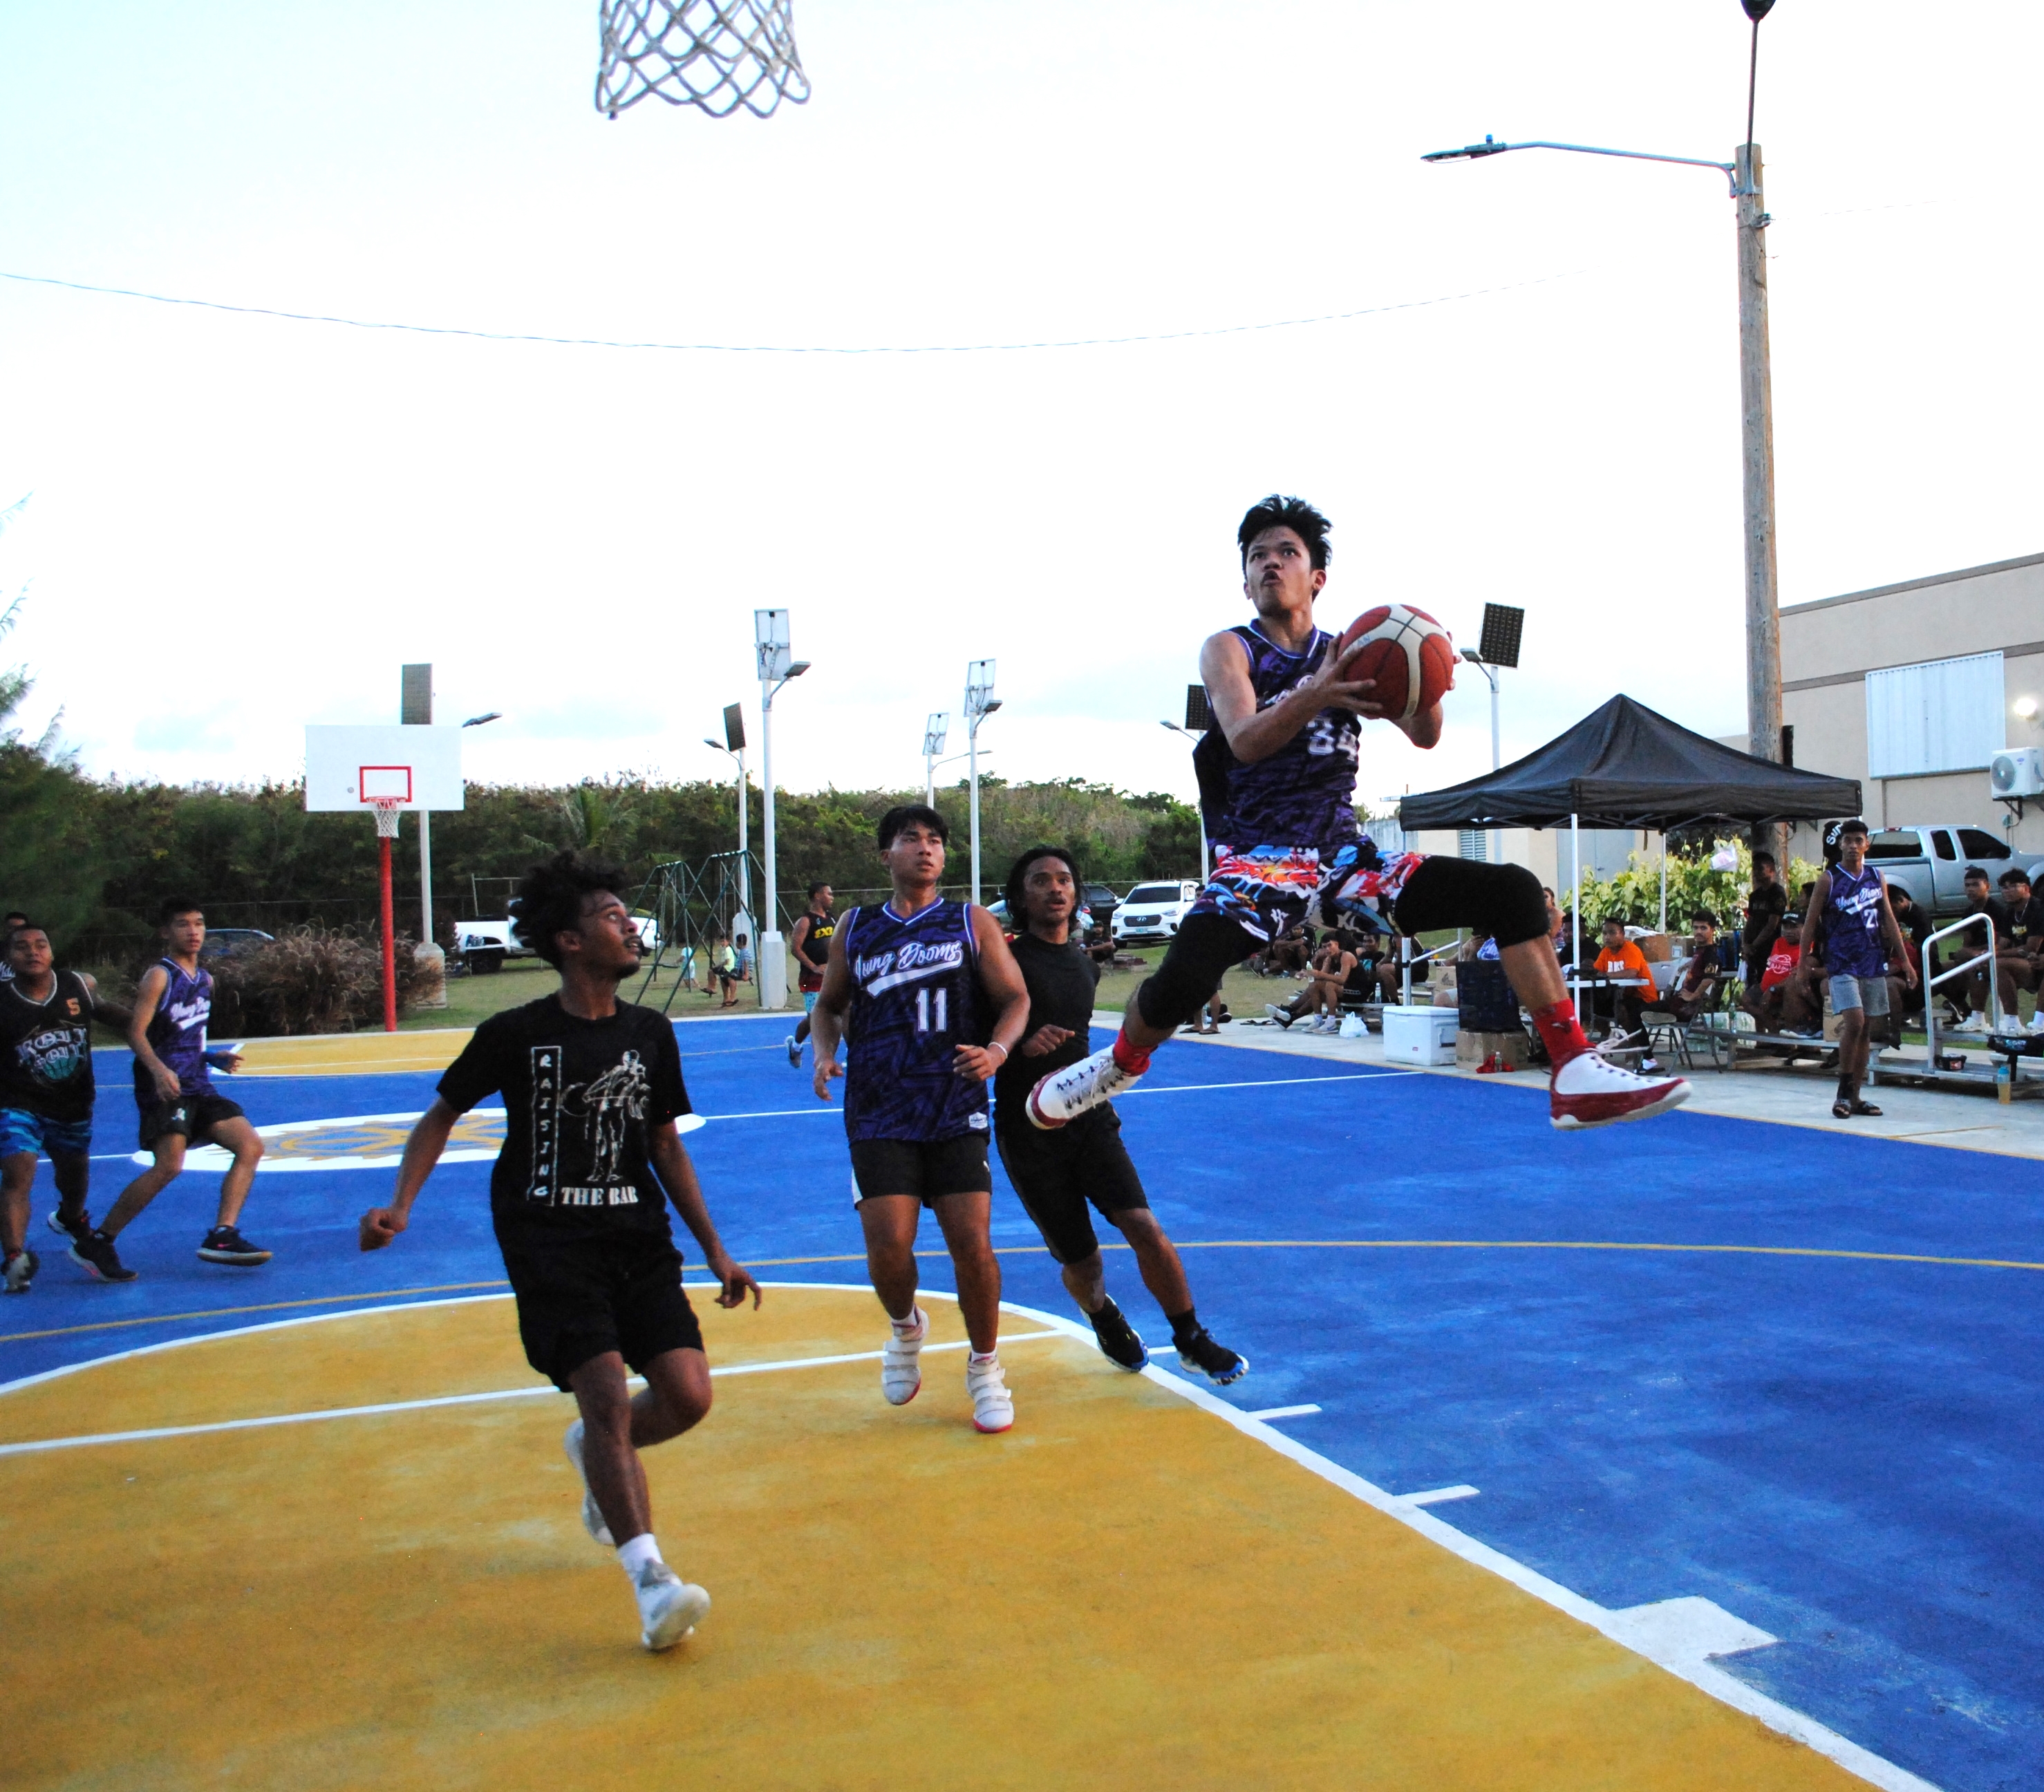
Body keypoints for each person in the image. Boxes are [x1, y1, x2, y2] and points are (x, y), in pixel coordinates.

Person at [1023, 496, 1688, 1133]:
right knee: (1183, 979)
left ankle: (1571, 1066)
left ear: (1317, 577)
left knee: (1511, 890)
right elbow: (1247, 740)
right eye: (1257, 556)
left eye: (1285, 552)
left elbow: (1425, 733)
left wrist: (1427, 672)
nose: (1270, 564)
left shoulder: (1361, 647)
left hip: (1344, 860)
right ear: (1245, 578)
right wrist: (1316, 692)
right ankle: (1116, 1066)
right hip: (1261, 860)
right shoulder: (1232, 649)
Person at [359, 852, 762, 1654]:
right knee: (606, 1394)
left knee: (686, 1397)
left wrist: (716, 1249)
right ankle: (652, 1584)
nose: (627, 925)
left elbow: (662, 1144)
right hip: (548, 1240)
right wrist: (400, 1204)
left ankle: (594, 1458)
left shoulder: (651, 1033)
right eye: (611, 915)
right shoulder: (515, 1033)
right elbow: (440, 1116)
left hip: (637, 1240)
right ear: (569, 940)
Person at [807, 805, 1031, 1434]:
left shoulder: (969, 920)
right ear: (887, 856)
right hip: (878, 1106)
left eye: (934, 841)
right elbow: (828, 1006)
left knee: (972, 1246)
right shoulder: (856, 926)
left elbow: (1015, 998)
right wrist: (825, 1054)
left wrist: (996, 1051)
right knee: (889, 1246)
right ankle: (906, 1327)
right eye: (911, 840)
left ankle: (985, 1365)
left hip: (954, 1101)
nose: (926, 850)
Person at [995, 846, 1246, 1383]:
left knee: (1143, 1225)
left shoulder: (1084, 964)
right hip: (1026, 1130)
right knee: (1082, 1263)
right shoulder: (1004, 961)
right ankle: (1102, 1316)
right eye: (1040, 881)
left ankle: (1191, 1338)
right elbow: (971, 1038)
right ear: (1020, 897)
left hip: (1089, 1115)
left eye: (1064, 879)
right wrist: (1017, 1048)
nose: (1055, 889)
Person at [67, 898, 268, 1283]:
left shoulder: (205, 979)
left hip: (197, 1082)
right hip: (164, 1087)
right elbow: (137, 1032)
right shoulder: (160, 975)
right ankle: (98, 1241)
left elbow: (181, 1035)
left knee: (250, 1146)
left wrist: (210, 1056)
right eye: (182, 924)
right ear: (166, 932)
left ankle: (223, 1235)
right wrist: (158, 1071)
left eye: (199, 923)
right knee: (169, 1166)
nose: (193, 931)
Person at [0, 923, 133, 1293]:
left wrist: (156, 1025)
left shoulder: (77, 985)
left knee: (73, 1181)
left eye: (41, 945)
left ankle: (73, 1219)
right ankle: (14, 1259)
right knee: (18, 1174)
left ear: (52, 953)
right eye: (22, 947)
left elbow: (113, 1015)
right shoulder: (2, 1000)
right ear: (10, 959)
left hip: (71, 1105)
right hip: (16, 1104)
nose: (32, 952)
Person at [1799, 819, 1915, 1119]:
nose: (1852, 845)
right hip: (1840, 961)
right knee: (1854, 1020)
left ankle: (1856, 1095)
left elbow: (1889, 918)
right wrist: (1802, 964)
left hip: (1872, 959)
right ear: (1840, 845)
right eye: (1847, 840)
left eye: (1858, 840)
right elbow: (1810, 923)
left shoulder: (1876, 877)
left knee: (1866, 1029)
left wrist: (1906, 961)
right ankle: (1842, 1091)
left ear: (1867, 844)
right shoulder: (1829, 879)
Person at [1946, 868, 2009, 1029]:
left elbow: (2001, 942)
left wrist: (1975, 953)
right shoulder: (1969, 912)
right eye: (1967, 885)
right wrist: (1966, 954)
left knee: (1974, 969)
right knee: (1941, 970)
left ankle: (1978, 1017)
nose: (1970, 889)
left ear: (1987, 886)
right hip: (1974, 956)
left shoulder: (1997, 910)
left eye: (1975, 884)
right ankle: (1961, 1008)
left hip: (1994, 955)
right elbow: (1967, 943)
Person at [785, 881, 837, 1066]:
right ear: (817, 896)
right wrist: (814, 966)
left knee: (842, 1012)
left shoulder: (831, 919)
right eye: (828, 894)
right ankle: (797, 1046)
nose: (832, 897)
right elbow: (795, 948)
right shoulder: (805, 921)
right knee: (814, 1018)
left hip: (831, 976)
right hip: (810, 979)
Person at [1995, 867, 2043, 1026]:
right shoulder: (2010, 913)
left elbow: (2031, 948)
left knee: (1997, 962)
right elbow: (2002, 944)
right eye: (2004, 887)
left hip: (2037, 961)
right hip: (2029, 963)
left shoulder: (2038, 909)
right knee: (1987, 966)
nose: (2008, 891)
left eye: (2014, 886)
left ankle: (2039, 1022)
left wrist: (1995, 955)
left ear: (2026, 888)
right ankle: (2008, 1021)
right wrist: (1986, 954)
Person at [1742, 852, 1788, 991]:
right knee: (1752, 985)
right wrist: (1745, 944)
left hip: (1770, 948)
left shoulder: (1777, 893)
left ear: (1771, 870)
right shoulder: (1755, 896)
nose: (1756, 873)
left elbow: (1772, 925)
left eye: (1760, 869)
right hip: (1753, 949)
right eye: (1754, 869)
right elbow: (1750, 921)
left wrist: (1754, 945)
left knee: (1766, 984)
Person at [0, 911, 26, 985]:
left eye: (19, 928)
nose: (14, 931)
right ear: (4, 929)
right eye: (10, 928)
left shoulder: (32, 952)